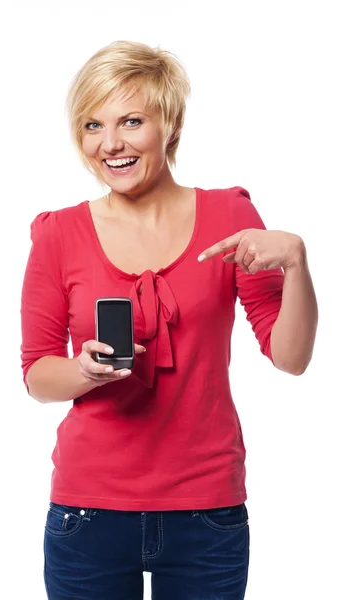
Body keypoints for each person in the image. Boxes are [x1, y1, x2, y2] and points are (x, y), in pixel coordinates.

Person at [20, 40, 318, 600]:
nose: (110, 144)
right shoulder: (57, 233)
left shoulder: (231, 216)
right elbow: (37, 374)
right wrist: (85, 371)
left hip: (207, 511)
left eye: (131, 121)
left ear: (170, 124)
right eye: (92, 125)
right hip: (88, 512)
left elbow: (291, 358)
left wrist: (298, 263)